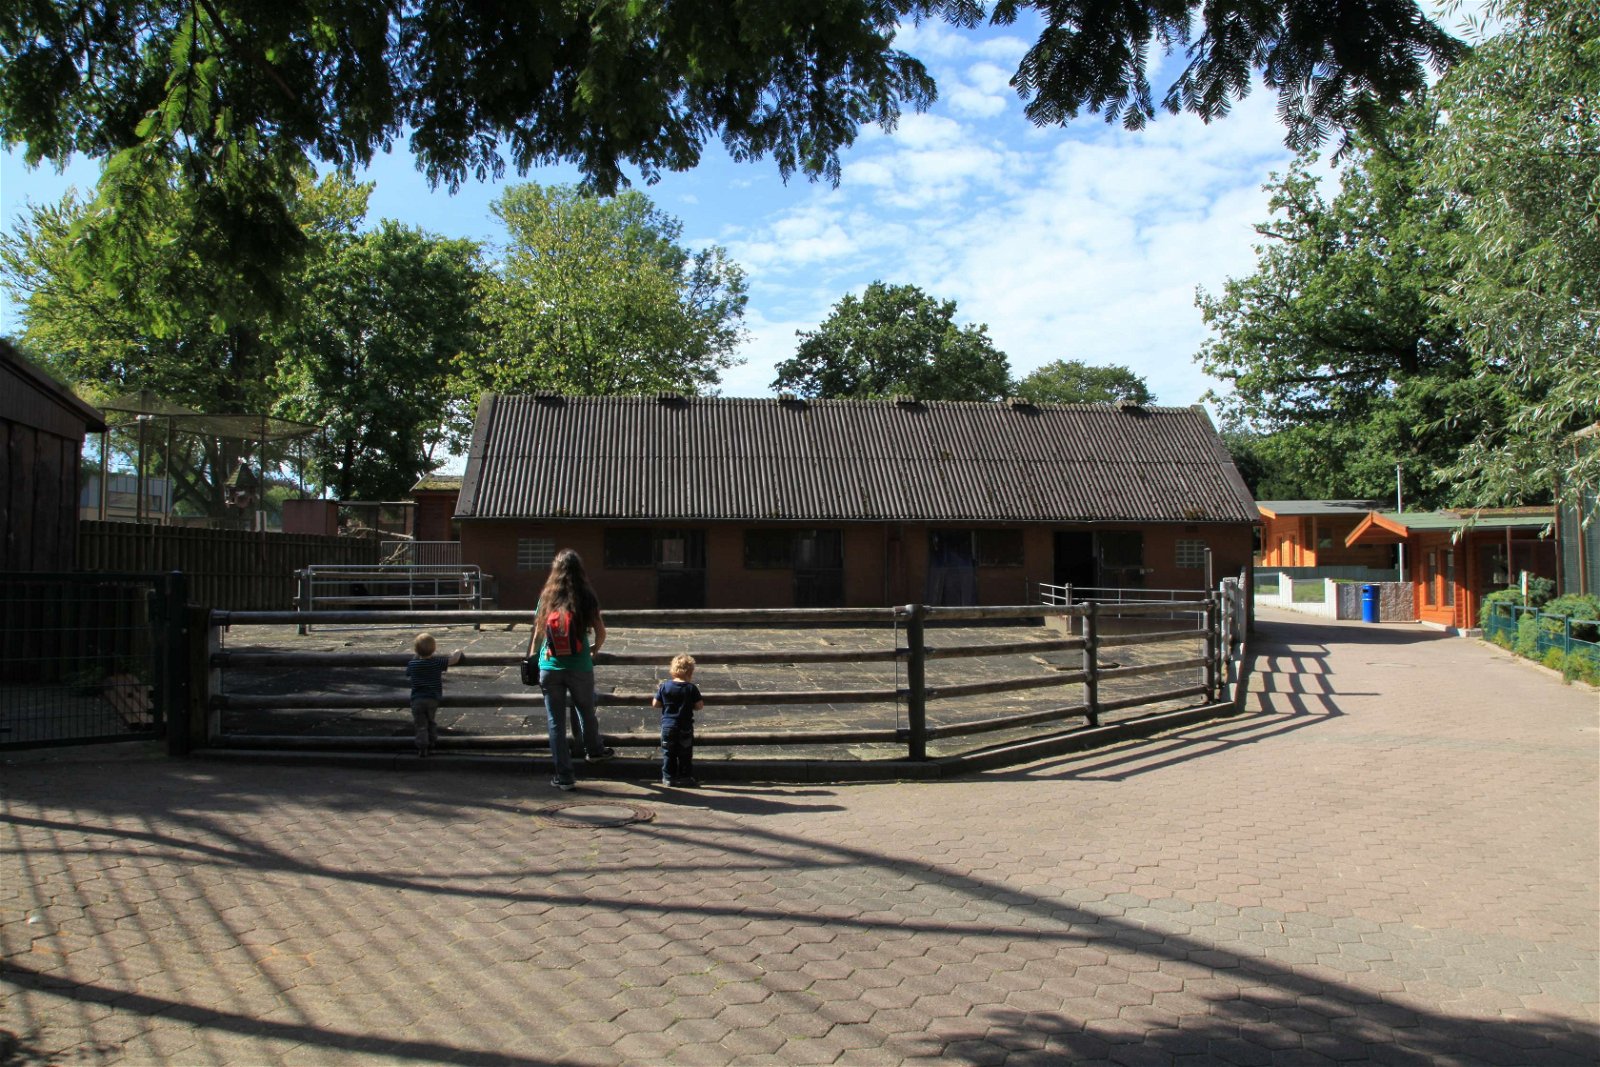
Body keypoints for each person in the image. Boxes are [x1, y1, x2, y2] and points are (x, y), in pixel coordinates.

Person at [529, 549, 613, 790]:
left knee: (555, 722)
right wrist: (594, 650)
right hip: (579, 666)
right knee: (586, 710)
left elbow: (537, 635)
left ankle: (564, 776)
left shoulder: (547, 597)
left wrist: (534, 659)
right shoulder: (586, 596)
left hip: (549, 666)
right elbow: (601, 631)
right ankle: (594, 751)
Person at [405, 633, 463, 757]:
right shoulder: (437, 663)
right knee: (431, 721)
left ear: (415, 650)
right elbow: (453, 660)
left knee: (420, 725)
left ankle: (422, 746)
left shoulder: (413, 664)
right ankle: (432, 741)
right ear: (434, 649)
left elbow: (408, 673)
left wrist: (417, 655)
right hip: (433, 698)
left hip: (417, 699)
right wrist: (458, 651)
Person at [653, 653, 704, 787]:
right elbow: (699, 706)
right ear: (691, 672)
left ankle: (668, 777)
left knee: (669, 753)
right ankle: (685, 776)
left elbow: (655, 704)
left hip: (668, 725)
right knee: (685, 753)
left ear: (673, 670)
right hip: (685, 726)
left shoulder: (664, 687)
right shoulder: (691, 688)